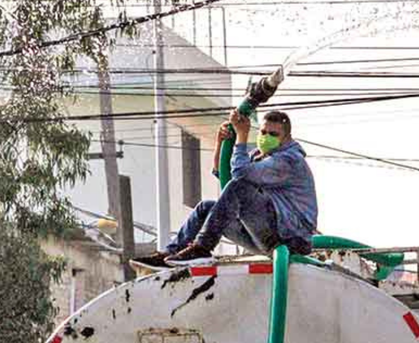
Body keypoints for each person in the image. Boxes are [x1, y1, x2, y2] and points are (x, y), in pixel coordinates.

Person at [134, 108, 317, 268]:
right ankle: (169, 255)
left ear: (287, 137)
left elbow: (240, 176)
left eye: (273, 134)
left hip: (289, 238)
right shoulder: (261, 157)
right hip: (264, 234)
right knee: (206, 208)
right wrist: (221, 142)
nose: (266, 137)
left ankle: (203, 248)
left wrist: (242, 136)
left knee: (240, 187)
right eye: (263, 132)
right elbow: (225, 177)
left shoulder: (289, 160)